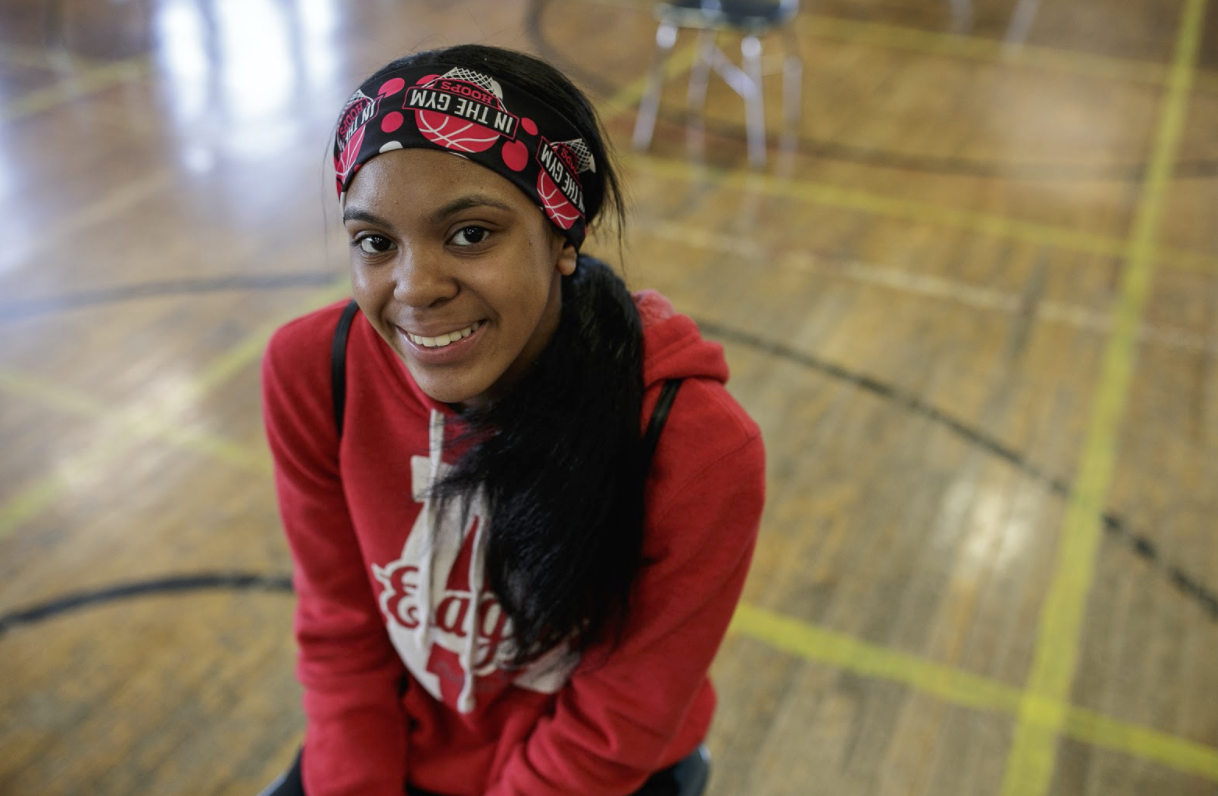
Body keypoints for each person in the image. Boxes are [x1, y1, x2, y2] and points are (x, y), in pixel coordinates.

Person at [260, 43, 765, 796]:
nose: (415, 288)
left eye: (470, 234)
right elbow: (342, 638)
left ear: (563, 237)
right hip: (394, 754)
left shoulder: (694, 443)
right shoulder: (314, 373)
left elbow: (619, 718)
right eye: (375, 242)